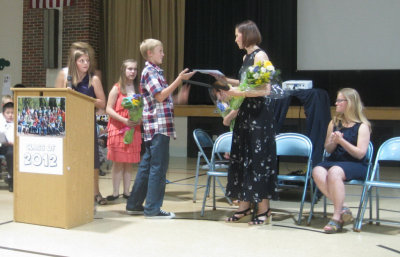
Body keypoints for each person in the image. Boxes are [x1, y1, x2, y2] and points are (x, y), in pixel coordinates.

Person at [214, 20, 278, 225]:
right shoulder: (246, 57)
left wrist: (237, 91)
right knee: (243, 158)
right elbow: (245, 84)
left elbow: (265, 90)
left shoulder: (260, 56)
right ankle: (244, 205)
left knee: (258, 160)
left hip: (258, 115)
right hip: (245, 115)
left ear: (246, 35)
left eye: (237, 35)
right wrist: (225, 82)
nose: (235, 39)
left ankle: (263, 210)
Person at [125, 38, 195, 218]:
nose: (163, 54)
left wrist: (178, 98)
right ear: (150, 53)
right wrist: (179, 79)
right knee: (158, 167)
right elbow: (160, 96)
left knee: (147, 165)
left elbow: (163, 99)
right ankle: (153, 209)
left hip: (156, 125)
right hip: (157, 126)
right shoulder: (149, 72)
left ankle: (134, 203)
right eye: (160, 51)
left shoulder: (155, 72)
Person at [312, 88, 371, 234]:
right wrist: (333, 141)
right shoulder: (334, 123)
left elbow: (360, 154)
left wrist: (342, 142)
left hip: (355, 164)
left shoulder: (363, 126)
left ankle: (337, 217)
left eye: (339, 100)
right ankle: (343, 207)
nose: (336, 103)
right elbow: (328, 149)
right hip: (335, 160)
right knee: (317, 170)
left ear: (349, 103)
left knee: (334, 172)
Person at [55, 42, 107, 205]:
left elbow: (102, 103)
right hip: (68, 123)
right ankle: (69, 190)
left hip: (86, 123)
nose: (86, 64)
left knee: (92, 159)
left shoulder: (94, 79)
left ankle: (95, 192)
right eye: (82, 61)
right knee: (69, 158)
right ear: (74, 62)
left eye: (87, 61)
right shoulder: (65, 76)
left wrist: (84, 99)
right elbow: (56, 98)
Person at [106, 59, 142, 201]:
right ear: (123, 70)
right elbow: (108, 109)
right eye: (130, 69)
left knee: (129, 162)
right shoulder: (116, 88)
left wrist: (139, 119)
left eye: (135, 69)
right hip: (118, 128)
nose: (133, 72)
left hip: (133, 129)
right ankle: (115, 193)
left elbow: (142, 109)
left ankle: (127, 192)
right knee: (118, 162)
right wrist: (124, 120)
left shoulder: (139, 88)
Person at [0, 102, 14, 192]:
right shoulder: (1, 121)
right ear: (3, 114)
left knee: (10, 154)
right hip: (2, 144)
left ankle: (11, 178)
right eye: (8, 113)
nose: (10, 115)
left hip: (11, 146)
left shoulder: (18, 123)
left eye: (12, 113)